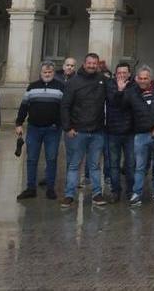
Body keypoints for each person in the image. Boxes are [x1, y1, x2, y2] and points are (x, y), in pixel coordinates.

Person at [60, 53, 110, 207]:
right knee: (74, 165)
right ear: (84, 63)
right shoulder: (73, 82)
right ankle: (69, 195)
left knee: (94, 166)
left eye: (94, 63)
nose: (92, 66)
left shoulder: (103, 80)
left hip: (97, 131)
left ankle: (97, 194)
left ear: (97, 65)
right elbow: (65, 106)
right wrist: (68, 127)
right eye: (89, 63)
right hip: (78, 131)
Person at [14, 61, 64, 201]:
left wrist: (61, 124)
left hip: (53, 129)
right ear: (40, 73)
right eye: (45, 72)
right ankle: (30, 188)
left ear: (53, 73)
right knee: (31, 159)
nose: (47, 74)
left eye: (50, 72)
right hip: (34, 128)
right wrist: (19, 123)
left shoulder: (61, 87)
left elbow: (64, 108)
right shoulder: (32, 87)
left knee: (52, 159)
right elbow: (24, 106)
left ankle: (50, 188)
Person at [119, 65, 154, 206]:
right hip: (140, 135)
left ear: (150, 78)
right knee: (139, 167)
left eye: (145, 78)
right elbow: (121, 107)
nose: (142, 81)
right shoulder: (131, 92)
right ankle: (137, 193)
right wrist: (121, 91)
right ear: (136, 78)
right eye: (140, 78)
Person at [103, 63, 135, 203]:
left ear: (129, 74)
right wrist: (120, 91)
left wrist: (122, 91)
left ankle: (130, 191)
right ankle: (116, 191)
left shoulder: (134, 86)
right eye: (119, 72)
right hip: (113, 131)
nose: (122, 75)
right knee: (113, 164)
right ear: (115, 74)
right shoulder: (109, 85)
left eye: (124, 72)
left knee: (130, 164)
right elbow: (113, 101)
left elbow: (130, 103)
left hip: (130, 131)